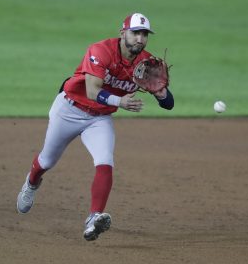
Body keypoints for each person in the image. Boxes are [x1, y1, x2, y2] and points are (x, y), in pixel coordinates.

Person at [16, 13, 174, 241]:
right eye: (135, 32)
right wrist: (120, 101)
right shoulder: (101, 50)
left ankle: (94, 218)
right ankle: (31, 183)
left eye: (144, 34)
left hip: (99, 119)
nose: (140, 39)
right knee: (47, 160)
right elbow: (92, 91)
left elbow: (169, 104)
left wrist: (161, 93)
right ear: (123, 33)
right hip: (69, 109)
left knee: (105, 161)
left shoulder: (146, 64)